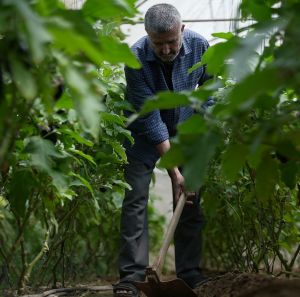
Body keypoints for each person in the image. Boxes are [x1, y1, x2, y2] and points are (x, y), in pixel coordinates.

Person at [113, 3, 212, 297]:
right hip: (144, 134)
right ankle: (131, 278)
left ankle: (190, 273)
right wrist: (173, 171)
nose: (167, 49)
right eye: (159, 44)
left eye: (172, 41)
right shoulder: (135, 58)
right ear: (147, 36)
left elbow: (211, 88)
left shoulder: (199, 46)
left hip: (184, 128)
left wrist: (200, 129)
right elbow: (149, 115)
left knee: (190, 198)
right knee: (135, 199)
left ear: (182, 29)